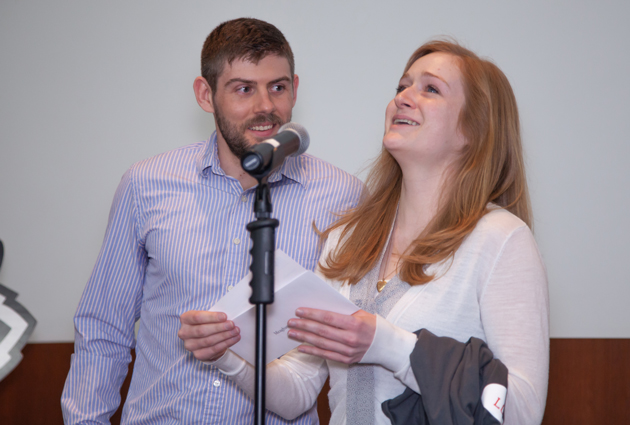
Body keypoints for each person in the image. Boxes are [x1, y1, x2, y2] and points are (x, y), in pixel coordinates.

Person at [179, 40, 549, 424]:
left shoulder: (501, 239)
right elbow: (299, 388)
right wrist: (227, 357)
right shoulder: (349, 238)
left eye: (431, 89)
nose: (404, 98)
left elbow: (520, 411)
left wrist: (386, 345)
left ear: (474, 129)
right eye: (402, 87)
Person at [61, 18, 362, 424]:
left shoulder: (342, 197)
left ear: (294, 87)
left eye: (278, 87)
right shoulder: (146, 184)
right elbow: (103, 328)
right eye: (243, 89)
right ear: (206, 94)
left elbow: (335, 345)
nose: (265, 107)